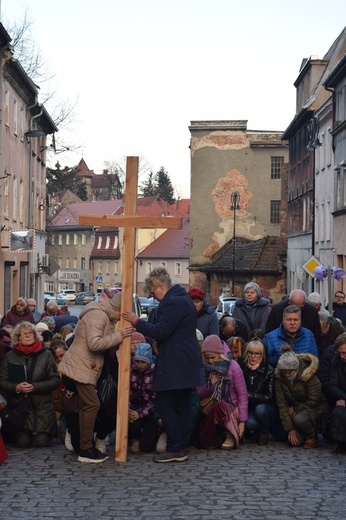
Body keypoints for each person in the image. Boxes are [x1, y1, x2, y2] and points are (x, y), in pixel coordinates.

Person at [122, 267, 202, 463]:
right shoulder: (182, 300)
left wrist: (136, 322)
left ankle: (175, 447)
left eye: (152, 291)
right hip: (186, 362)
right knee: (182, 405)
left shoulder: (174, 302)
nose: (153, 297)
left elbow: (161, 330)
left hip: (176, 364)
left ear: (159, 286)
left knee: (165, 404)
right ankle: (182, 446)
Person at [58, 291, 134, 463]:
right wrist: (119, 335)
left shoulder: (103, 316)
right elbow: (95, 344)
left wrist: (120, 339)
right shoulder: (98, 316)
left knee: (89, 405)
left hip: (86, 368)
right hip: (80, 368)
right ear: (119, 311)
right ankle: (85, 449)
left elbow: (105, 347)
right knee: (92, 404)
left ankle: (86, 446)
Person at [0, 321, 60, 448]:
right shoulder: (10, 356)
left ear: (35, 335)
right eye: (24, 334)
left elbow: (55, 381)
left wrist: (35, 387)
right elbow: (2, 381)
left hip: (42, 406)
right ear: (18, 337)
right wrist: (16, 387)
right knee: (23, 443)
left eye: (30, 333)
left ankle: (54, 429)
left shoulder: (46, 354)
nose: (27, 336)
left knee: (41, 442)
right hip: (19, 407)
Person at [196, 334, 248, 450]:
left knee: (222, 406)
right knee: (205, 441)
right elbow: (198, 393)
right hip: (211, 408)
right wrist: (211, 383)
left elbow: (242, 395)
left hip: (231, 407)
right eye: (207, 358)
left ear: (220, 354)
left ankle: (230, 433)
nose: (210, 361)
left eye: (213, 357)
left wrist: (242, 421)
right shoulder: (204, 368)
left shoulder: (233, 367)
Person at [274, 345, 327, 449]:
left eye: (290, 371)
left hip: (315, 407)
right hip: (294, 409)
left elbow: (314, 400)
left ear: (296, 369)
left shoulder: (308, 376)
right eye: (284, 372)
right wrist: (290, 429)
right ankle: (301, 433)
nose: (287, 375)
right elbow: (282, 404)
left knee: (299, 419)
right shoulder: (280, 379)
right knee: (294, 442)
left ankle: (312, 435)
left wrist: (295, 409)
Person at [238, 339, 286, 445]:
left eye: (257, 353)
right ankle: (251, 433)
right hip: (247, 407)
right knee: (250, 423)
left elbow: (270, 397)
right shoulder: (241, 368)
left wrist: (248, 395)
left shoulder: (269, 371)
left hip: (266, 408)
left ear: (262, 355)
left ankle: (263, 432)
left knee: (260, 409)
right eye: (250, 353)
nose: (253, 356)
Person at [129, 343, 157, 453]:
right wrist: (130, 410)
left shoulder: (154, 374)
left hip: (150, 413)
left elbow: (155, 401)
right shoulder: (130, 371)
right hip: (134, 409)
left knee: (147, 448)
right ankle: (135, 438)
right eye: (137, 361)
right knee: (132, 420)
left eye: (143, 362)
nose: (139, 365)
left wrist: (140, 413)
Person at [328, 334, 346, 453]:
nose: (342, 356)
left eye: (344, 353)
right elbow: (333, 385)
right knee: (339, 412)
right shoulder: (337, 362)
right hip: (343, 396)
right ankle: (341, 442)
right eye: (340, 353)